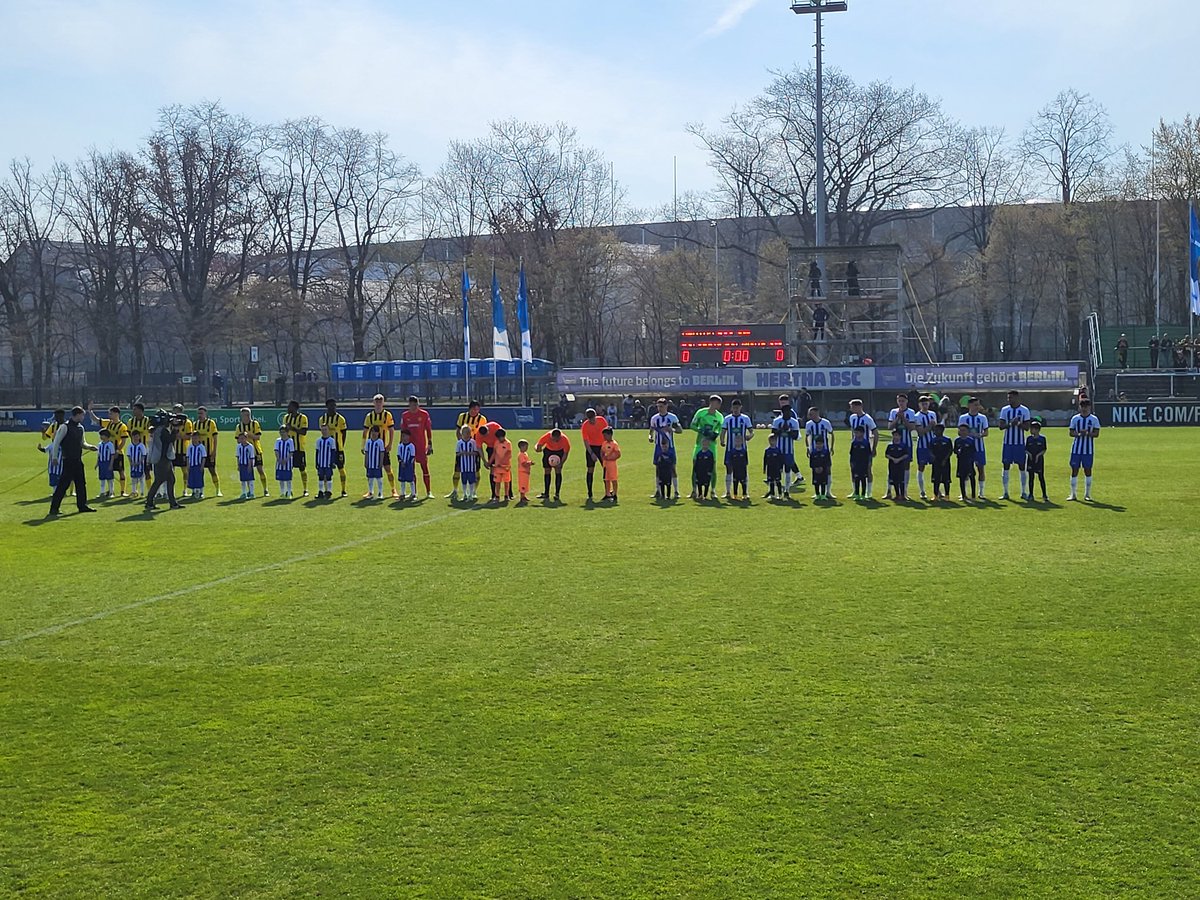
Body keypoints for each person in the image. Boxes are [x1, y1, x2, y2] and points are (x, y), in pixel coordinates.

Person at [47, 406, 97, 517]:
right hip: (68, 461)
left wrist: (90, 447)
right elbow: (56, 442)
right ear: (77, 414)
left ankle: (82, 506)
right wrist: (54, 457)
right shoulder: (65, 427)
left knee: (81, 484)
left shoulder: (81, 428)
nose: (83, 417)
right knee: (62, 485)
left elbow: (83, 443)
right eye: (82, 415)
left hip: (78, 460)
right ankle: (54, 508)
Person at [688, 395, 724, 498]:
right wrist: (701, 430)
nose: (717, 405)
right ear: (711, 403)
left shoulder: (719, 416)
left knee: (712, 467)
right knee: (695, 466)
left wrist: (714, 434)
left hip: (712, 444)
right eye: (716, 403)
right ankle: (694, 490)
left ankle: (713, 491)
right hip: (700, 443)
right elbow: (692, 425)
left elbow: (720, 429)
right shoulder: (701, 412)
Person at [997, 389, 1031, 500]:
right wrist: (1011, 424)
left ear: (1017, 398)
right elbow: (1001, 426)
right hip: (1008, 443)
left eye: (1010, 398)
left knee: (1022, 467)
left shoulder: (1024, 410)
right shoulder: (1005, 410)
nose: (1009, 400)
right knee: (1006, 466)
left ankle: (1023, 492)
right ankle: (1006, 492)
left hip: (1020, 443)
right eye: (1008, 398)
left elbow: (1027, 428)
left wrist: (1019, 423)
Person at [145, 415, 183, 512]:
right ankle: (149, 502)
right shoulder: (162, 431)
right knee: (159, 480)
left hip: (162, 458)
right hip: (163, 459)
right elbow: (170, 439)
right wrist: (175, 430)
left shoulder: (158, 430)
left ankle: (172, 502)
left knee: (170, 479)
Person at [449, 401, 486, 498]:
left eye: (478, 409)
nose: (476, 411)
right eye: (474, 409)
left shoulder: (482, 419)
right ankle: (455, 490)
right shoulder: (462, 416)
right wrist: (462, 443)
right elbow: (458, 431)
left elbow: (482, 434)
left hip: (475, 448)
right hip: (463, 447)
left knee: (476, 471)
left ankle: (473, 492)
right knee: (457, 470)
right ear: (470, 409)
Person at [89, 405, 129, 497]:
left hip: (118, 453)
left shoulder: (122, 426)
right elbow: (97, 420)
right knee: (108, 472)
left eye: (111, 413)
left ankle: (123, 491)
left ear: (117, 414)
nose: (109, 415)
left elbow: (123, 441)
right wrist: (90, 411)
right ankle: (110, 491)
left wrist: (117, 450)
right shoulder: (108, 423)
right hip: (107, 453)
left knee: (121, 471)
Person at [399, 395, 434, 499]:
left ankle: (428, 492)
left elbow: (428, 429)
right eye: (411, 404)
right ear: (409, 405)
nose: (413, 407)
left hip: (421, 445)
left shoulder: (424, 414)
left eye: (415, 404)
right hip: (409, 447)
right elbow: (403, 431)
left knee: (424, 468)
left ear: (418, 404)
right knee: (411, 469)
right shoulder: (405, 415)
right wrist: (401, 445)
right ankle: (414, 493)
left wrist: (430, 444)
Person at [363, 394, 397, 499]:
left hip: (383, 448)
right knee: (370, 469)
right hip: (372, 448)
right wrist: (363, 445)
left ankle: (393, 490)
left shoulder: (387, 415)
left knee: (387, 468)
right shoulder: (369, 416)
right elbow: (365, 431)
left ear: (383, 403)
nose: (378, 404)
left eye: (380, 402)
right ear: (373, 403)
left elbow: (391, 430)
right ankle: (370, 491)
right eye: (376, 402)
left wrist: (390, 444)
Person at [648, 397, 683, 500]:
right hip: (658, 447)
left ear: (666, 406)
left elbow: (680, 430)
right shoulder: (654, 418)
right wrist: (650, 437)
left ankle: (676, 491)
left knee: (672, 468)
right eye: (658, 406)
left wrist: (671, 429)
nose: (659, 408)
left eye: (661, 406)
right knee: (658, 468)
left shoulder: (672, 418)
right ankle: (658, 490)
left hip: (670, 447)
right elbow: (651, 431)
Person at [720, 398, 753, 500]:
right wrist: (722, 440)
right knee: (729, 469)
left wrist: (749, 436)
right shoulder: (727, 419)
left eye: (737, 408)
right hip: (730, 449)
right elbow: (723, 431)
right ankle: (728, 492)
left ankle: (745, 492)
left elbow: (752, 431)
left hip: (742, 449)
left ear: (741, 408)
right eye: (734, 408)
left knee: (743, 470)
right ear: (731, 408)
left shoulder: (745, 418)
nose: (735, 410)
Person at [1068, 398, 1100, 501]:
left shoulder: (1094, 419)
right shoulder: (1075, 419)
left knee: (1087, 470)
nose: (1084, 409)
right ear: (1080, 407)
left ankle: (1087, 494)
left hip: (1088, 450)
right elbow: (1071, 432)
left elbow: (1096, 434)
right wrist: (1078, 434)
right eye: (1082, 406)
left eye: (1086, 406)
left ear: (1089, 407)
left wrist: (1087, 433)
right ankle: (1073, 494)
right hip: (1076, 450)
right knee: (1074, 470)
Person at [771, 394, 803, 497]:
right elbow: (773, 434)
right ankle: (778, 490)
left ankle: (787, 491)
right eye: (786, 411)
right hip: (778, 450)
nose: (787, 413)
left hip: (789, 450)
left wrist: (788, 430)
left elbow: (795, 435)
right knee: (777, 471)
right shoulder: (777, 421)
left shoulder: (794, 422)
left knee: (788, 470)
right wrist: (781, 430)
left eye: (789, 411)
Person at [958, 396, 990, 498]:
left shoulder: (982, 418)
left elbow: (986, 432)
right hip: (966, 449)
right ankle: (964, 493)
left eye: (978, 404)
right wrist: (966, 435)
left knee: (980, 469)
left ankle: (981, 492)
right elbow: (959, 432)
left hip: (979, 448)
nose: (977, 407)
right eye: (975, 405)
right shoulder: (963, 418)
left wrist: (979, 435)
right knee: (966, 470)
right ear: (969, 406)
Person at [887, 393, 917, 498]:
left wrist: (903, 418)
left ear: (906, 402)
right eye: (899, 401)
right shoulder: (893, 412)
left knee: (906, 466)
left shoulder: (911, 412)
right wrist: (896, 419)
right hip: (894, 444)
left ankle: (904, 491)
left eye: (903, 401)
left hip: (907, 443)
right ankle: (889, 490)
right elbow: (889, 427)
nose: (901, 403)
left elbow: (912, 428)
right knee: (892, 466)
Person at [319, 398, 350, 498]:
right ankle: (326, 491)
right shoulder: (322, 419)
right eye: (331, 405)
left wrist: (341, 445)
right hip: (326, 451)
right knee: (325, 471)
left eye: (334, 405)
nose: (333, 407)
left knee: (341, 468)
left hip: (338, 449)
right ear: (327, 406)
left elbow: (344, 433)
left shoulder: (340, 419)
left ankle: (343, 490)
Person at [234, 408, 268, 496]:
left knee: (260, 470)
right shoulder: (239, 426)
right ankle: (250, 491)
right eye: (244, 415)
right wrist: (243, 439)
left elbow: (258, 437)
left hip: (256, 451)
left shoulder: (255, 424)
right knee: (247, 471)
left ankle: (265, 489)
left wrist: (248, 435)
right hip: (245, 453)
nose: (246, 417)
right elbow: (238, 440)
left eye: (247, 415)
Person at [804, 406, 836, 498]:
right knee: (815, 469)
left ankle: (828, 492)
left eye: (811, 414)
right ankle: (817, 492)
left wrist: (831, 447)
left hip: (825, 451)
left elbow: (832, 434)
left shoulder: (825, 422)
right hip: (814, 451)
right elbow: (807, 436)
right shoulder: (809, 424)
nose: (810, 416)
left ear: (817, 413)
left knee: (827, 469)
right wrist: (807, 448)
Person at [580, 407, 610, 501]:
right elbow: (586, 441)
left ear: (595, 416)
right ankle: (589, 492)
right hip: (592, 447)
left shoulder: (602, 421)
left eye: (593, 418)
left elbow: (607, 435)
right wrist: (591, 453)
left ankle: (608, 492)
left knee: (606, 469)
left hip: (602, 446)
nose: (592, 421)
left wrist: (606, 449)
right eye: (590, 419)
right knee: (590, 470)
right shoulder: (585, 426)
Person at [913, 395, 939, 500]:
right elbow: (921, 433)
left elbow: (937, 429)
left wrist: (934, 425)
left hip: (933, 445)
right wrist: (930, 425)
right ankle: (922, 491)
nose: (925, 405)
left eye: (926, 403)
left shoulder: (933, 414)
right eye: (923, 404)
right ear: (919, 405)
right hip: (922, 446)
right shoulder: (917, 416)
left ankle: (937, 490)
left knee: (936, 467)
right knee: (921, 467)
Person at [535, 427, 571, 502]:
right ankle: (546, 493)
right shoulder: (547, 436)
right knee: (547, 471)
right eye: (553, 439)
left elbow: (565, 453)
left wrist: (561, 463)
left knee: (558, 471)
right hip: (548, 451)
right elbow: (538, 445)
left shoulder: (564, 440)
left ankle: (557, 494)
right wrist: (537, 449)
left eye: (556, 440)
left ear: (559, 437)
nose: (555, 441)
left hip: (559, 452)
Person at [193, 405, 222, 498]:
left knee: (212, 470)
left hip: (209, 452)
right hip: (198, 454)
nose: (200, 415)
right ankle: (200, 491)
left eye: (201, 413)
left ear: (206, 414)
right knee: (199, 472)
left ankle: (218, 490)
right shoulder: (195, 424)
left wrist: (214, 450)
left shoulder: (211, 423)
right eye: (198, 413)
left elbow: (215, 438)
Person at [283, 400, 309, 497]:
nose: (287, 408)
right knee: (289, 469)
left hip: (299, 448)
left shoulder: (303, 418)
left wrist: (292, 428)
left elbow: (303, 432)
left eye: (289, 407)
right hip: (288, 449)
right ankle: (289, 490)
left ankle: (305, 489)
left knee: (302, 468)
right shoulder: (286, 418)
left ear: (294, 408)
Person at [37, 409, 67, 493]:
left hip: (65, 449)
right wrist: (43, 433)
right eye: (55, 416)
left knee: (66, 471)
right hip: (55, 448)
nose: (56, 418)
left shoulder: (67, 425)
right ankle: (57, 490)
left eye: (57, 416)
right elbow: (45, 437)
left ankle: (70, 491)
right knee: (54, 470)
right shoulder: (53, 426)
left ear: (62, 416)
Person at [476, 421, 503, 501]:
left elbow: (503, 436)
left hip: (500, 446)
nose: (486, 436)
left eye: (487, 434)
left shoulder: (494, 426)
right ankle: (494, 493)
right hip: (491, 448)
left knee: (504, 468)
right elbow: (479, 448)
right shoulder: (479, 434)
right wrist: (484, 461)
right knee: (493, 470)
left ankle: (508, 493)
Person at [455, 425, 481, 502]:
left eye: (468, 433)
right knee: (463, 480)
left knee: (471, 480)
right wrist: (462, 453)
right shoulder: (459, 443)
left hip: (471, 466)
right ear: (461, 433)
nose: (466, 434)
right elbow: (457, 453)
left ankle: (471, 494)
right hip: (463, 466)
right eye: (465, 433)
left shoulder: (473, 442)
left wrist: (469, 453)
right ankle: (464, 494)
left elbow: (476, 453)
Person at [884, 429, 911, 502]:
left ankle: (903, 495)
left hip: (901, 465)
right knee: (895, 480)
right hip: (892, 465)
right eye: (894, 435)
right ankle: (897, 495)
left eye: (897, 435)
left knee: (901, 480)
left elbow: (906, 454)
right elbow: (886, 455)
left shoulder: (903, 445)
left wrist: (899, 459)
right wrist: (893, 459)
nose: (895, 437)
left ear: (900, 436)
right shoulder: (890, 445)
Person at [1025, 420, 1048, 502]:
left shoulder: (1042, 439)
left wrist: (1038, 455)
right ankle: (1031, 494)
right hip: (1031, 460)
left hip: (1039, 461)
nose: (1031, 430)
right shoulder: (1029, 439)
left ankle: (1044, 495)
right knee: (1031, 477)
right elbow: (1026, 449)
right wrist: (1029, 454)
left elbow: (1044, 449)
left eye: (1032, 429)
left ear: (1037, 430)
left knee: (1041, 477)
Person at [953, 423, 977, 502]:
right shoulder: (957, 440)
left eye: (964, 430)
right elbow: (955, 450)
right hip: (960, 462)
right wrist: (958, 451)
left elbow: (974, 451)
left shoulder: (970, 440)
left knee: (972, 477)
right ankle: (963, 495)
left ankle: (973, 495)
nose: (962, 432)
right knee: (961, 478)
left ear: (967, 431)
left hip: (969, 462)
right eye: (961, 430)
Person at [929, 423, 953, 501]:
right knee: (936, 479)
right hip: (936, 462)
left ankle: (947, 495)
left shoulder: (947, 440)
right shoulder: (933, 440)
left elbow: (950, 451)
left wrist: (945, 460)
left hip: (945, 462)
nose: (935, 431)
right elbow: (930, 449)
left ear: (941, 430)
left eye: (936, 430)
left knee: (946, 479)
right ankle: (935, 495)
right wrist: (933, 456)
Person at [314, 422, 338, 500]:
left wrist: (332, 462)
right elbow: (317, 452)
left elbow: (333, 452)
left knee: (328, 477)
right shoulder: (318, 440)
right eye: (322, 430)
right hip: (321, 463)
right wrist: (316, 462)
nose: (324, 431)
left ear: (328, 430)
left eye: (325, 429)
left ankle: (329, 492)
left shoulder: (331, 440)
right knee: (320, 477)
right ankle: (321, 492)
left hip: (328, 463)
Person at [849, 426, 872, 500]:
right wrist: (851, 463)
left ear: (862, 433)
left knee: (863, 479)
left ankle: (863, 494)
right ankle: (857, 494)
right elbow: (851, 454)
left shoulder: (866, 443)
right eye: (855, 433)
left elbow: (869, 454)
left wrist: (869, 463)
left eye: (857, 433)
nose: (856, 434)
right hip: (856, 464)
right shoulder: (854, 442)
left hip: (864, 464)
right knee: (856, 479)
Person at [362, 425, 385, 500]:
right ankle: (370, 492)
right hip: (370, 464)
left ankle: (380, 492)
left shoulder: (380, 442)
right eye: (372, 431)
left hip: (377, 463)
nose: (374, 433)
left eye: (376, 431)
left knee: (379, 478)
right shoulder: (368, 442)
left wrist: (381, 462)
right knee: (370, 478)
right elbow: (367, 452)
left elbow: (382, 453)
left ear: (378, 433)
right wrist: (366, 462)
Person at [490, 428, 513, 502]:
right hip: (497, 467)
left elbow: (508, 455)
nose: (499, 439)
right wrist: (490, 462)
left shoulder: (508, 443)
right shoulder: (496, 442)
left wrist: (502, 462)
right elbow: (494, 453)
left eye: (500, 438)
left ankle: (506, 495)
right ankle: (497, 496)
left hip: (505, 467)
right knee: (497, 482)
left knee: (506, 482)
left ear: (503, 436)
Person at [395, 429, 418, 501]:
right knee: (402, 480)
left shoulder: (411, 446)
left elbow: (412, 456)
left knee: (410, 480)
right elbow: (398, 455)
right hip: (401, 466)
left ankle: (413, 494)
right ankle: (402, 494)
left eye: (405, 436)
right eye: (402, 436)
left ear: (408, 437)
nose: (403, 438)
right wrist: (401, 462)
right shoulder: (400, 446)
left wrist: (407, 463)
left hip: (409, 466)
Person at [600, 427, 621, 502]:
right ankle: (607, 493)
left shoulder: (614, 444)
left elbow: (618, 454)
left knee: (613, 479)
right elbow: (602, 451)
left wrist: (611, 458)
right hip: (605, 464)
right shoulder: (604, 443)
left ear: (610, 435)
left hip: (612, 464)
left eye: (605, 435)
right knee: (606, 479)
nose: (604, 437)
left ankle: (615, 494)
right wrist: (602, 457)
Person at [274, 426, 295, 498]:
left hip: (288, 463)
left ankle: (289, 493)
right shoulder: (278, 441)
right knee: (281, 479)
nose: (282, 434)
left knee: (288, 479)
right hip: (279, 463)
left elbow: (291, 452)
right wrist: (279, 459)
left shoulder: (290, 441)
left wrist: (286, 459)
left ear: (287, 432)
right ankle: (282, 492)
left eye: (284, 432)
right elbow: (276, 450)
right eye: (281, 432)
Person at [235, 431, 257, 499]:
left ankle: (252, 493)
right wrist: (238, 465)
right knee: (243, 480)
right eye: (240, 438)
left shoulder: (250, 446)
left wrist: (250, 466)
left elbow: (251, 457)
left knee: (250, 480)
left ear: (246, 438)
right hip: (242, 464)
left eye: (242, 438)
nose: (241, 440)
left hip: (248, 464)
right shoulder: (239, 446)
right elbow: (238, 456)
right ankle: (244, 493)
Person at [809, 435, 832, 500]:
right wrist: (815, 468)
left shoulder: (826, 452)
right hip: (815, 471)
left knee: (823, 483)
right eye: (817, 444)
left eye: (820, 444)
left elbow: (828, 462)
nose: (819, 445)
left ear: (823, 444)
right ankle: (817, 494)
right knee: (816, 483)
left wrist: (823, 468)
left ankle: (823, 495)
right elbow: (811, 462)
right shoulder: (813, 453)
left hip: (824, 471)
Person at [95, 429, 116, 499]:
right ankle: (102, 492)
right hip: (101, 463)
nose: (101, 437)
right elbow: (99, 455)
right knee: (102, 479)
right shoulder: (99, 444)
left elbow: (112, 455)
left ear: (107, 436)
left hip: (107, 462)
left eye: (102, 435)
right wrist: (97, 463)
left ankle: (111, 492)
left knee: (110, 479)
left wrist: (111, 464)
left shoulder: (110, 444)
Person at [186, 431, 208, 499]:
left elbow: (204, 457)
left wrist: (202, 465)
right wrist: (188, 465)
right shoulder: (190, 447)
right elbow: (188, 456)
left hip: (198, 465)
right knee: (192, 478)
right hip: (192, 465)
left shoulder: (201, 447)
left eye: (196, 438)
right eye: (193, 438)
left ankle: (201, 492)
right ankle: (193, 492)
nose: (194, 439)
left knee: (199, 479)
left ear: (199, 438)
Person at [763, 433, 785, 500]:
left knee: (778, 481)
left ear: (776, 441)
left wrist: (781, 468)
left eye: (773, 441)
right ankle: (772, 494)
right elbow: (765, 460)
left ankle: (780, 494)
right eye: (770, 441)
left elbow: (781, 460)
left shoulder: (778, 450)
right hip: (770, 469)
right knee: (771, 482)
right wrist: (764, 468)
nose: (772, 442)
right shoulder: (767, 450)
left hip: (777, 469)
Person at [127, 429, 148, 499]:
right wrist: (131, 463)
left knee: (141, 478)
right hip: (133, 465)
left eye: (137, 436)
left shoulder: (141, 446)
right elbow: (128, 455)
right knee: (133, 479)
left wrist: (139, 462)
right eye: (134, 436)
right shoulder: (130, 446)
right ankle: (134, 491)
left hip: (140, 465)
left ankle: (142, 492)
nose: (135, 438)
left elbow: (143, 455)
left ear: (139, 437)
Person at [516, 440, 533, 504]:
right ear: (521, 447)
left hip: (526, 472)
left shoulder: (525, 454)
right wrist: (529, 463)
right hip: (522, 472)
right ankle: (522, 497)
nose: (526, 448)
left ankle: (524, 496)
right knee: (522, 484)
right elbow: (523, 463)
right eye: (525, 446)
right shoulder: (521, 455)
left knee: (525, 484)